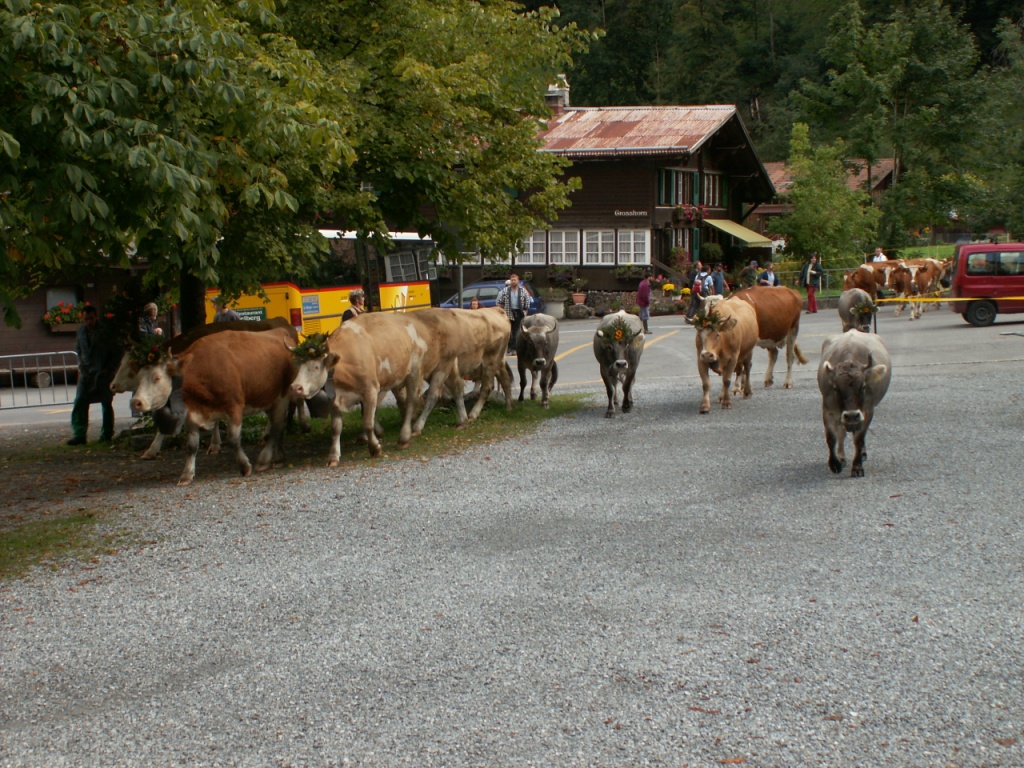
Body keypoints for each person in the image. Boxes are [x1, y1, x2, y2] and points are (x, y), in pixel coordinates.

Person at [68, 305, 118, 446]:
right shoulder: (81, 331)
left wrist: (109, 369)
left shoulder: (105, 331)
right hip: (86, 373)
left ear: (96, 317)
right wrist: (81, 365)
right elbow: (79, 349)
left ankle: (107, 434)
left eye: (91, 318)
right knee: (80, 401)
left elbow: (116, 352)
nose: (88, 322)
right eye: (86, 319)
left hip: (103, 373)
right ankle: (79, 434)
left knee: (106, 403)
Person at [496, 272, 531, 354]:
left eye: (515, 280)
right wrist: (500, 311)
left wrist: (525, 311)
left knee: (516, 331)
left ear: (518, 281)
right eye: (512, 280)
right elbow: (500, 302)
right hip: (508, 312)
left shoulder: (522, 290)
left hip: (519, 312)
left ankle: (514, 348)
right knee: (508, 331)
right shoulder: (505, 291)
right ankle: (509, 347)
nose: (513, 281)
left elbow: (527, 301)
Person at [636, 270, 653, 334]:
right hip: (644, 302)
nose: (651, 278)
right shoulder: (646, 285)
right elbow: (645, 295)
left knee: (641, 315)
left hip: (640, 301)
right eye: (650, 277)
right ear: (648, 277)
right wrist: (648, 302)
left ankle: (640, 329)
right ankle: (645, 329)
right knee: (645, 316)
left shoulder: (642, 283)